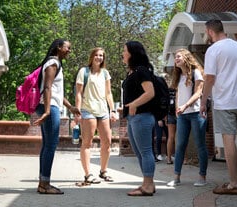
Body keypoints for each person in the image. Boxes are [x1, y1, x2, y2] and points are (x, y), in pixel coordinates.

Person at [200, 19, 237, 195]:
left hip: (224, 102)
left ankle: (234, 184)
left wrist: (203, 101)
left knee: (229, 140)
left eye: (207, 33)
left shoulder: (213, 50)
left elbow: (210, 79)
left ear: (210, 31)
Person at [33, 39, 81, 195]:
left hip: (50, 105)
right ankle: (45, 184)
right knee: (50, 145)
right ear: (59, 47)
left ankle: (43, 182)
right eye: (68, 47)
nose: (69, 50)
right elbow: (47, 87)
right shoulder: (53, 63)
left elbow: (55, 91)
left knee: (47, 145)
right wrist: (47, 111)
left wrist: (71, 107)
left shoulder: (54, 63)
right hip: (50, 107)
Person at [74, 47, 118, 185]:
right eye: (97, 55)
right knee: (87, 143)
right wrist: (78, 111)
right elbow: (79, 93)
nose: (99, 57)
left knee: (107, 142)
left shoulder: (105, 73)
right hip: (88, 110)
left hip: (103, 111)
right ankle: (88, 174)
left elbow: (108, 93)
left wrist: (113, 110)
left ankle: (103, 171)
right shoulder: (84, 72)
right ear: (92, 56)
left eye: (101, 55)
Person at [167, 49, 208, 187]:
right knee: (180, 145)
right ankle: (176, 177)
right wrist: (177, 108)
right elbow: (178, 94)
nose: (176, 59)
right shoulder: (178, 75)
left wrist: (185, 105)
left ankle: (202, 177)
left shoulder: (196, 72)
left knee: (200, 145)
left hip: (196, 113)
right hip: (182, 115)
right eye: (175, 57)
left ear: (186, 58)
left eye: (178, 56)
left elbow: (198, 92)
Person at [121, 41, 157, 197]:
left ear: (132, 53)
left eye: (124, 50)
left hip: (142, 116)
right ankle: (148, 183)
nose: (122, 53)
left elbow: (150, 92)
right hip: (133, 117)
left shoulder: (141, 70)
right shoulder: (132, 71)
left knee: (146, 151)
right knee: (139, 152)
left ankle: (148, 186)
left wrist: (134, 104)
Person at [165, 85, 177, 164]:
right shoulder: (179, 86)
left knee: (171, 137)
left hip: (170, 114)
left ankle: (169, 159)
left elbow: (165, 104)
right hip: (180, 112)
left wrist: (166, 118)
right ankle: (184, 159)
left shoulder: (167, 90)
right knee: (181, 137)